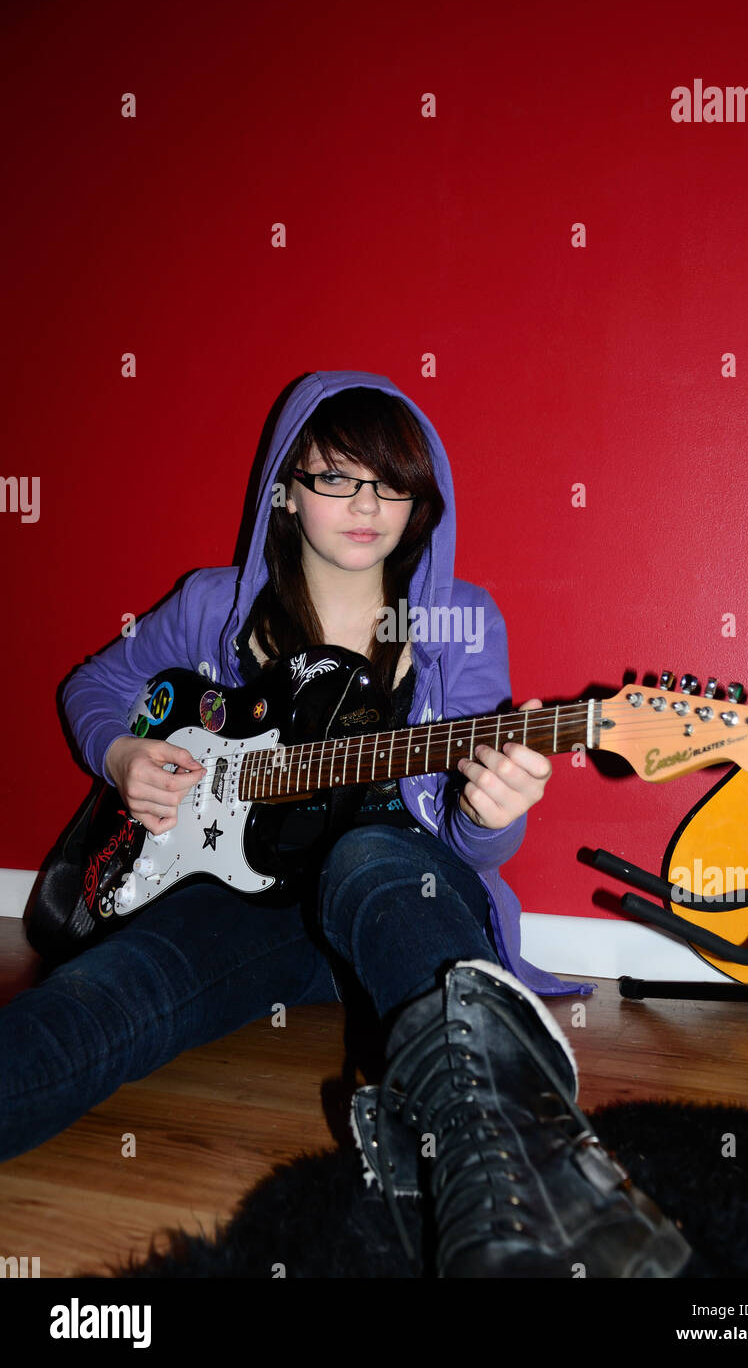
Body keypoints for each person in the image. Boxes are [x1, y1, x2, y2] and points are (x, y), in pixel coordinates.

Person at [4, 370, 689, 1278]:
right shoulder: (216, 605)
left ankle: (520, 1183)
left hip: (399, 891)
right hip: (242, 902)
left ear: (419, 502)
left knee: (371, 851)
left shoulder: (458, 625)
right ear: (285, 491)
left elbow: (469, 843)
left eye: (391, 483)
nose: (366, 504)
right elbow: (94, 686)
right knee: (91, 1008)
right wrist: (125, 756)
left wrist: (491, 814)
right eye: (336, 478)